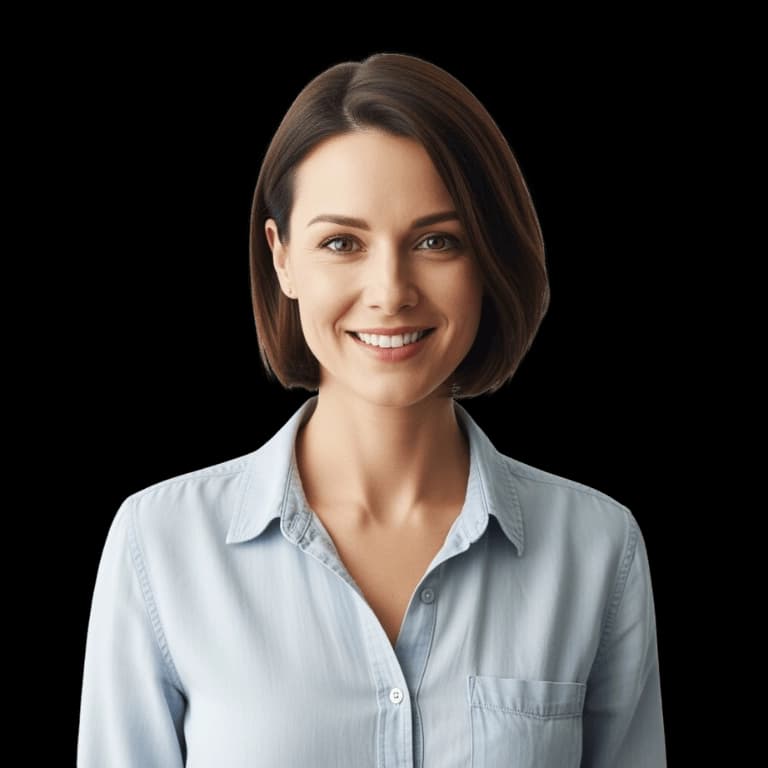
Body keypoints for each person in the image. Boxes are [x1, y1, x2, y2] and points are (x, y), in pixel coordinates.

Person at [77, 52, 667, 767]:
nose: (390, 290)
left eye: (435, 241)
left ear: (488, 258)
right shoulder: (161, 545)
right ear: (283, 257)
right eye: (342, 243)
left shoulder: (597, 549)